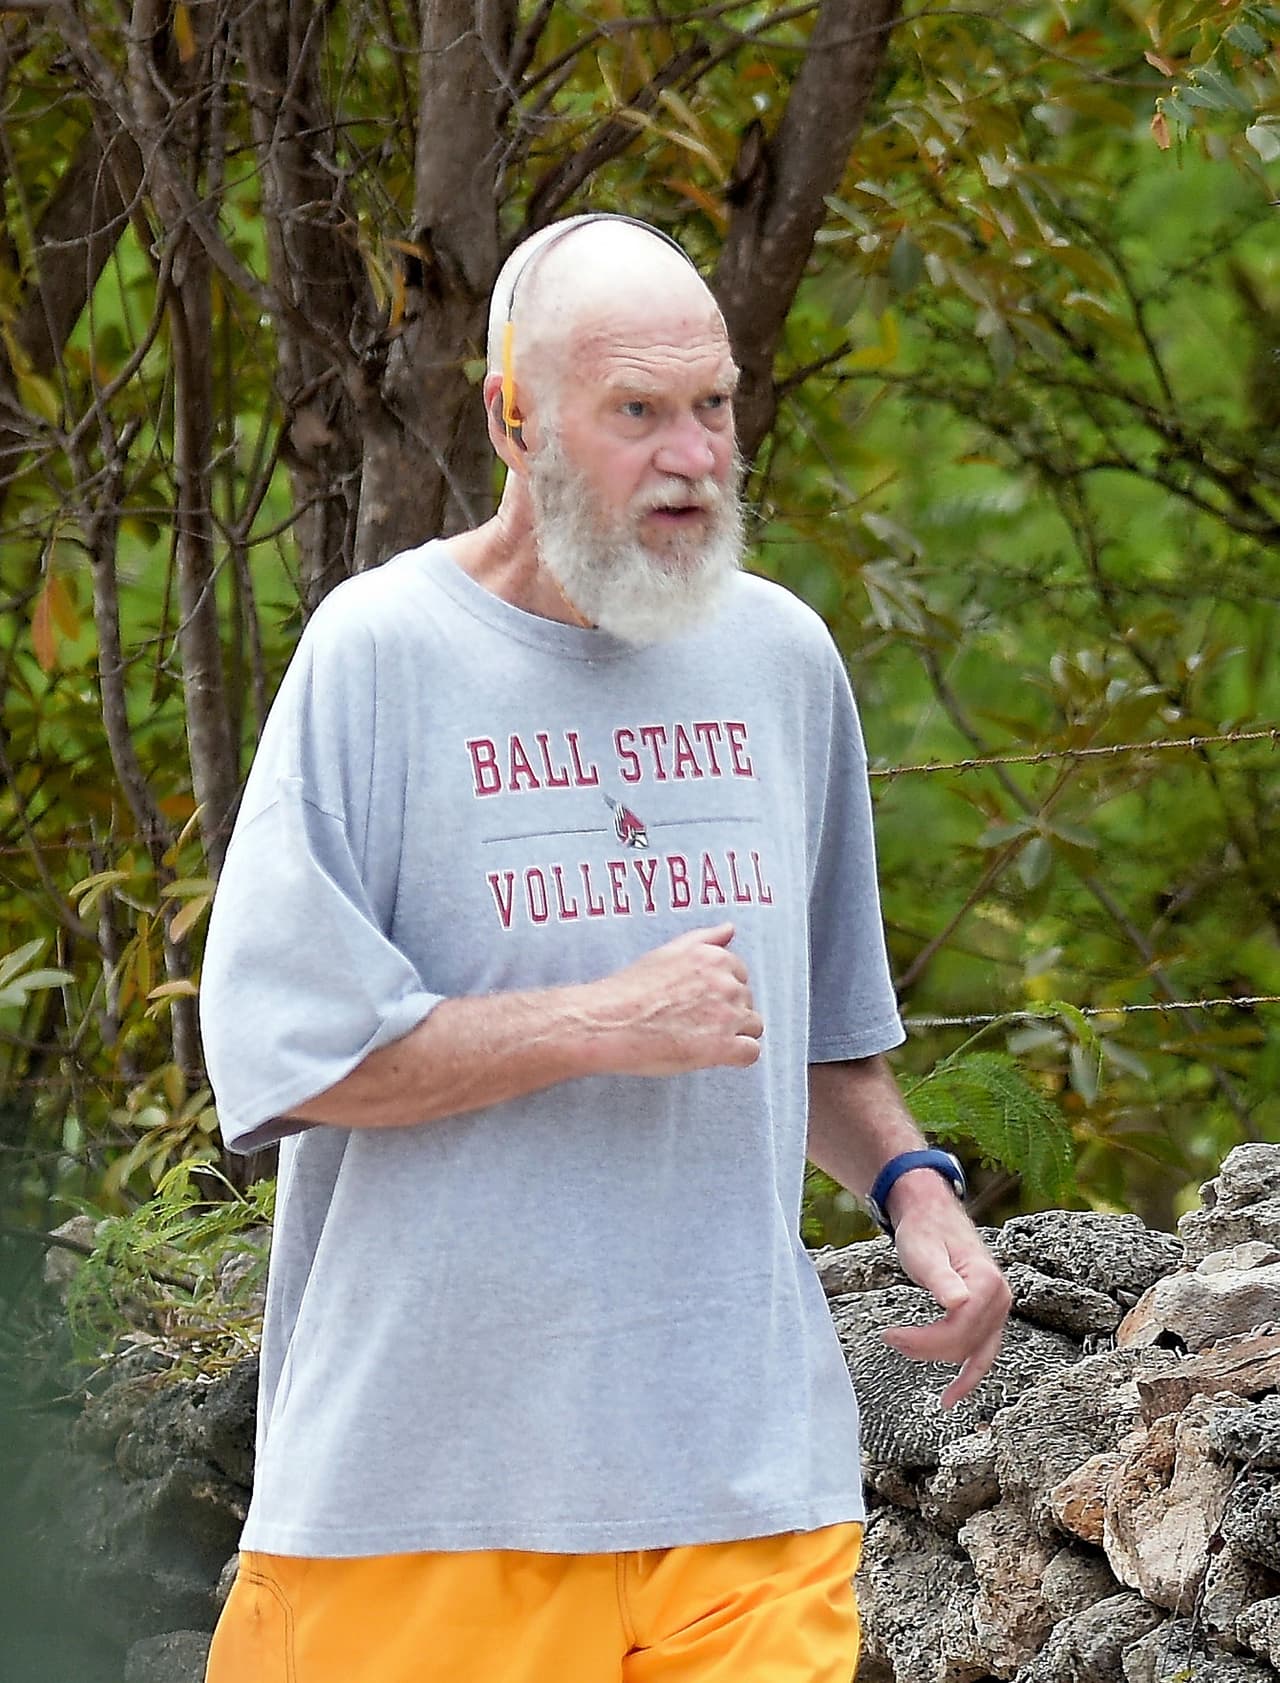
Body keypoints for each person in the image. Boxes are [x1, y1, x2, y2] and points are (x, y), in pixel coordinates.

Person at [199, 213, 1011, 1683]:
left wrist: (909, 1189)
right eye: (637, 412)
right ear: (512, 415)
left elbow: (814, 1036)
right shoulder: (378, 657)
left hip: (748, 1497)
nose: (694, 454)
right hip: (424, 1509)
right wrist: (596, 1023)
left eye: (714, 406)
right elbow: (285, 1056)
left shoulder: (781, 658)